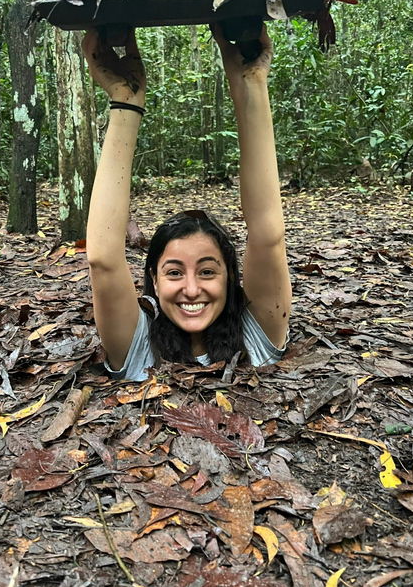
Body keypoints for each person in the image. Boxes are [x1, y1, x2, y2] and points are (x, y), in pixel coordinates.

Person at [82, 24, 291, 381]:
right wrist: (125, 100)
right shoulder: (139, 346)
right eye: (174, 272)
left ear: (230, 279)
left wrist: (252, 81)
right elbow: (102, 259)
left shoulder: (257, 335)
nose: (191, 289)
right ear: (154, 280)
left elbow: (267, 234)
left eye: (208, 271)